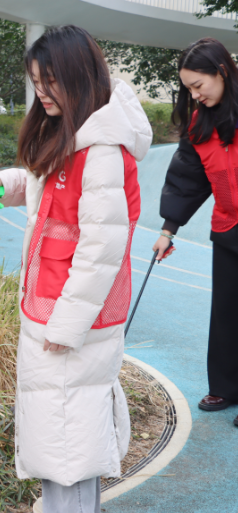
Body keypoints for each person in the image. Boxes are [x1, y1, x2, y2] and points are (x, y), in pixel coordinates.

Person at [0, 25, 148, 513]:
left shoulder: (103, 149)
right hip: (52, 310)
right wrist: (4, 183)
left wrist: (68, 324)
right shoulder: (73, 133)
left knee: (66, 445)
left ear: (78, 76)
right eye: (36, 82)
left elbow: (101, 248)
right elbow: (45, 184)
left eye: (50, 80)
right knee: (64, 440)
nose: (42, 93)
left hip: (71, 320)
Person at [152, 37, 238, 425]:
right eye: (188, 89)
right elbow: (187, 178)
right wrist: (167, 231)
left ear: (221, 72)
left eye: (198, 85)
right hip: (228, 227)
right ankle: (225, 386)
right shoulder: (199, 124)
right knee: (226, 313)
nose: (195, 95)